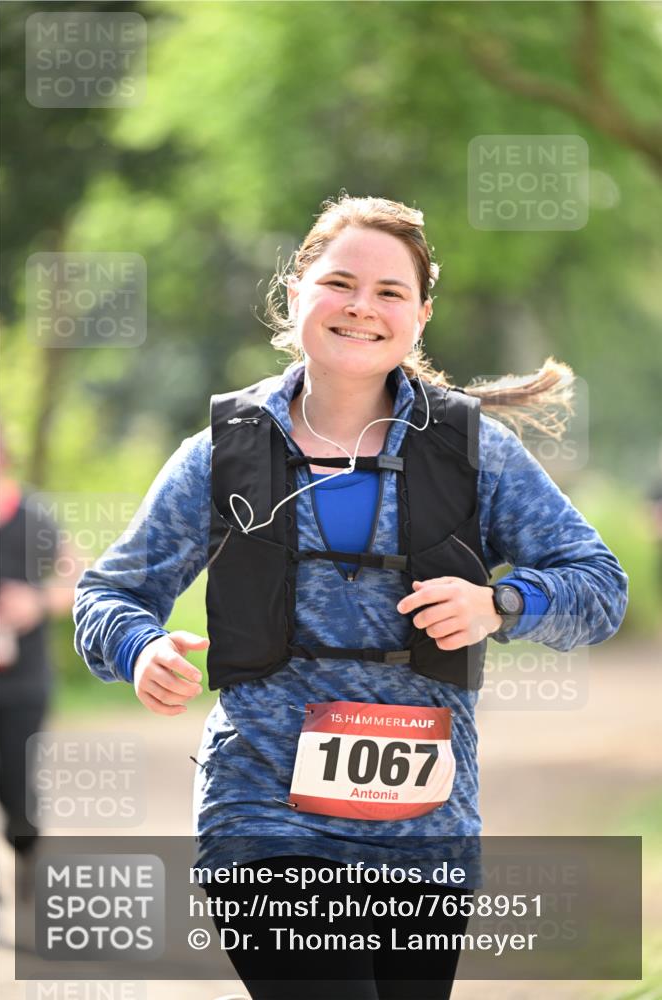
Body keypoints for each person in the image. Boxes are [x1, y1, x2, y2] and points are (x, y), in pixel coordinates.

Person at [74, 194, 628, 999]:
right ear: (295, 294)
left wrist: (500, 605)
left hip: (424, 830)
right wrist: (140, 647)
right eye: (339, 283)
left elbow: (598, 586)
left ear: (420, 316)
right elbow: (110, 594)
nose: (361, 307)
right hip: (263, 816)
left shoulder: (475, 452)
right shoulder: (221, 453)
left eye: (389, 292)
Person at [0, 424, 78, 899]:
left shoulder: (34, 519)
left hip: (22, 683)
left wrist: (36, 601)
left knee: (15, 790)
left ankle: (25, 850)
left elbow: (81, 580)